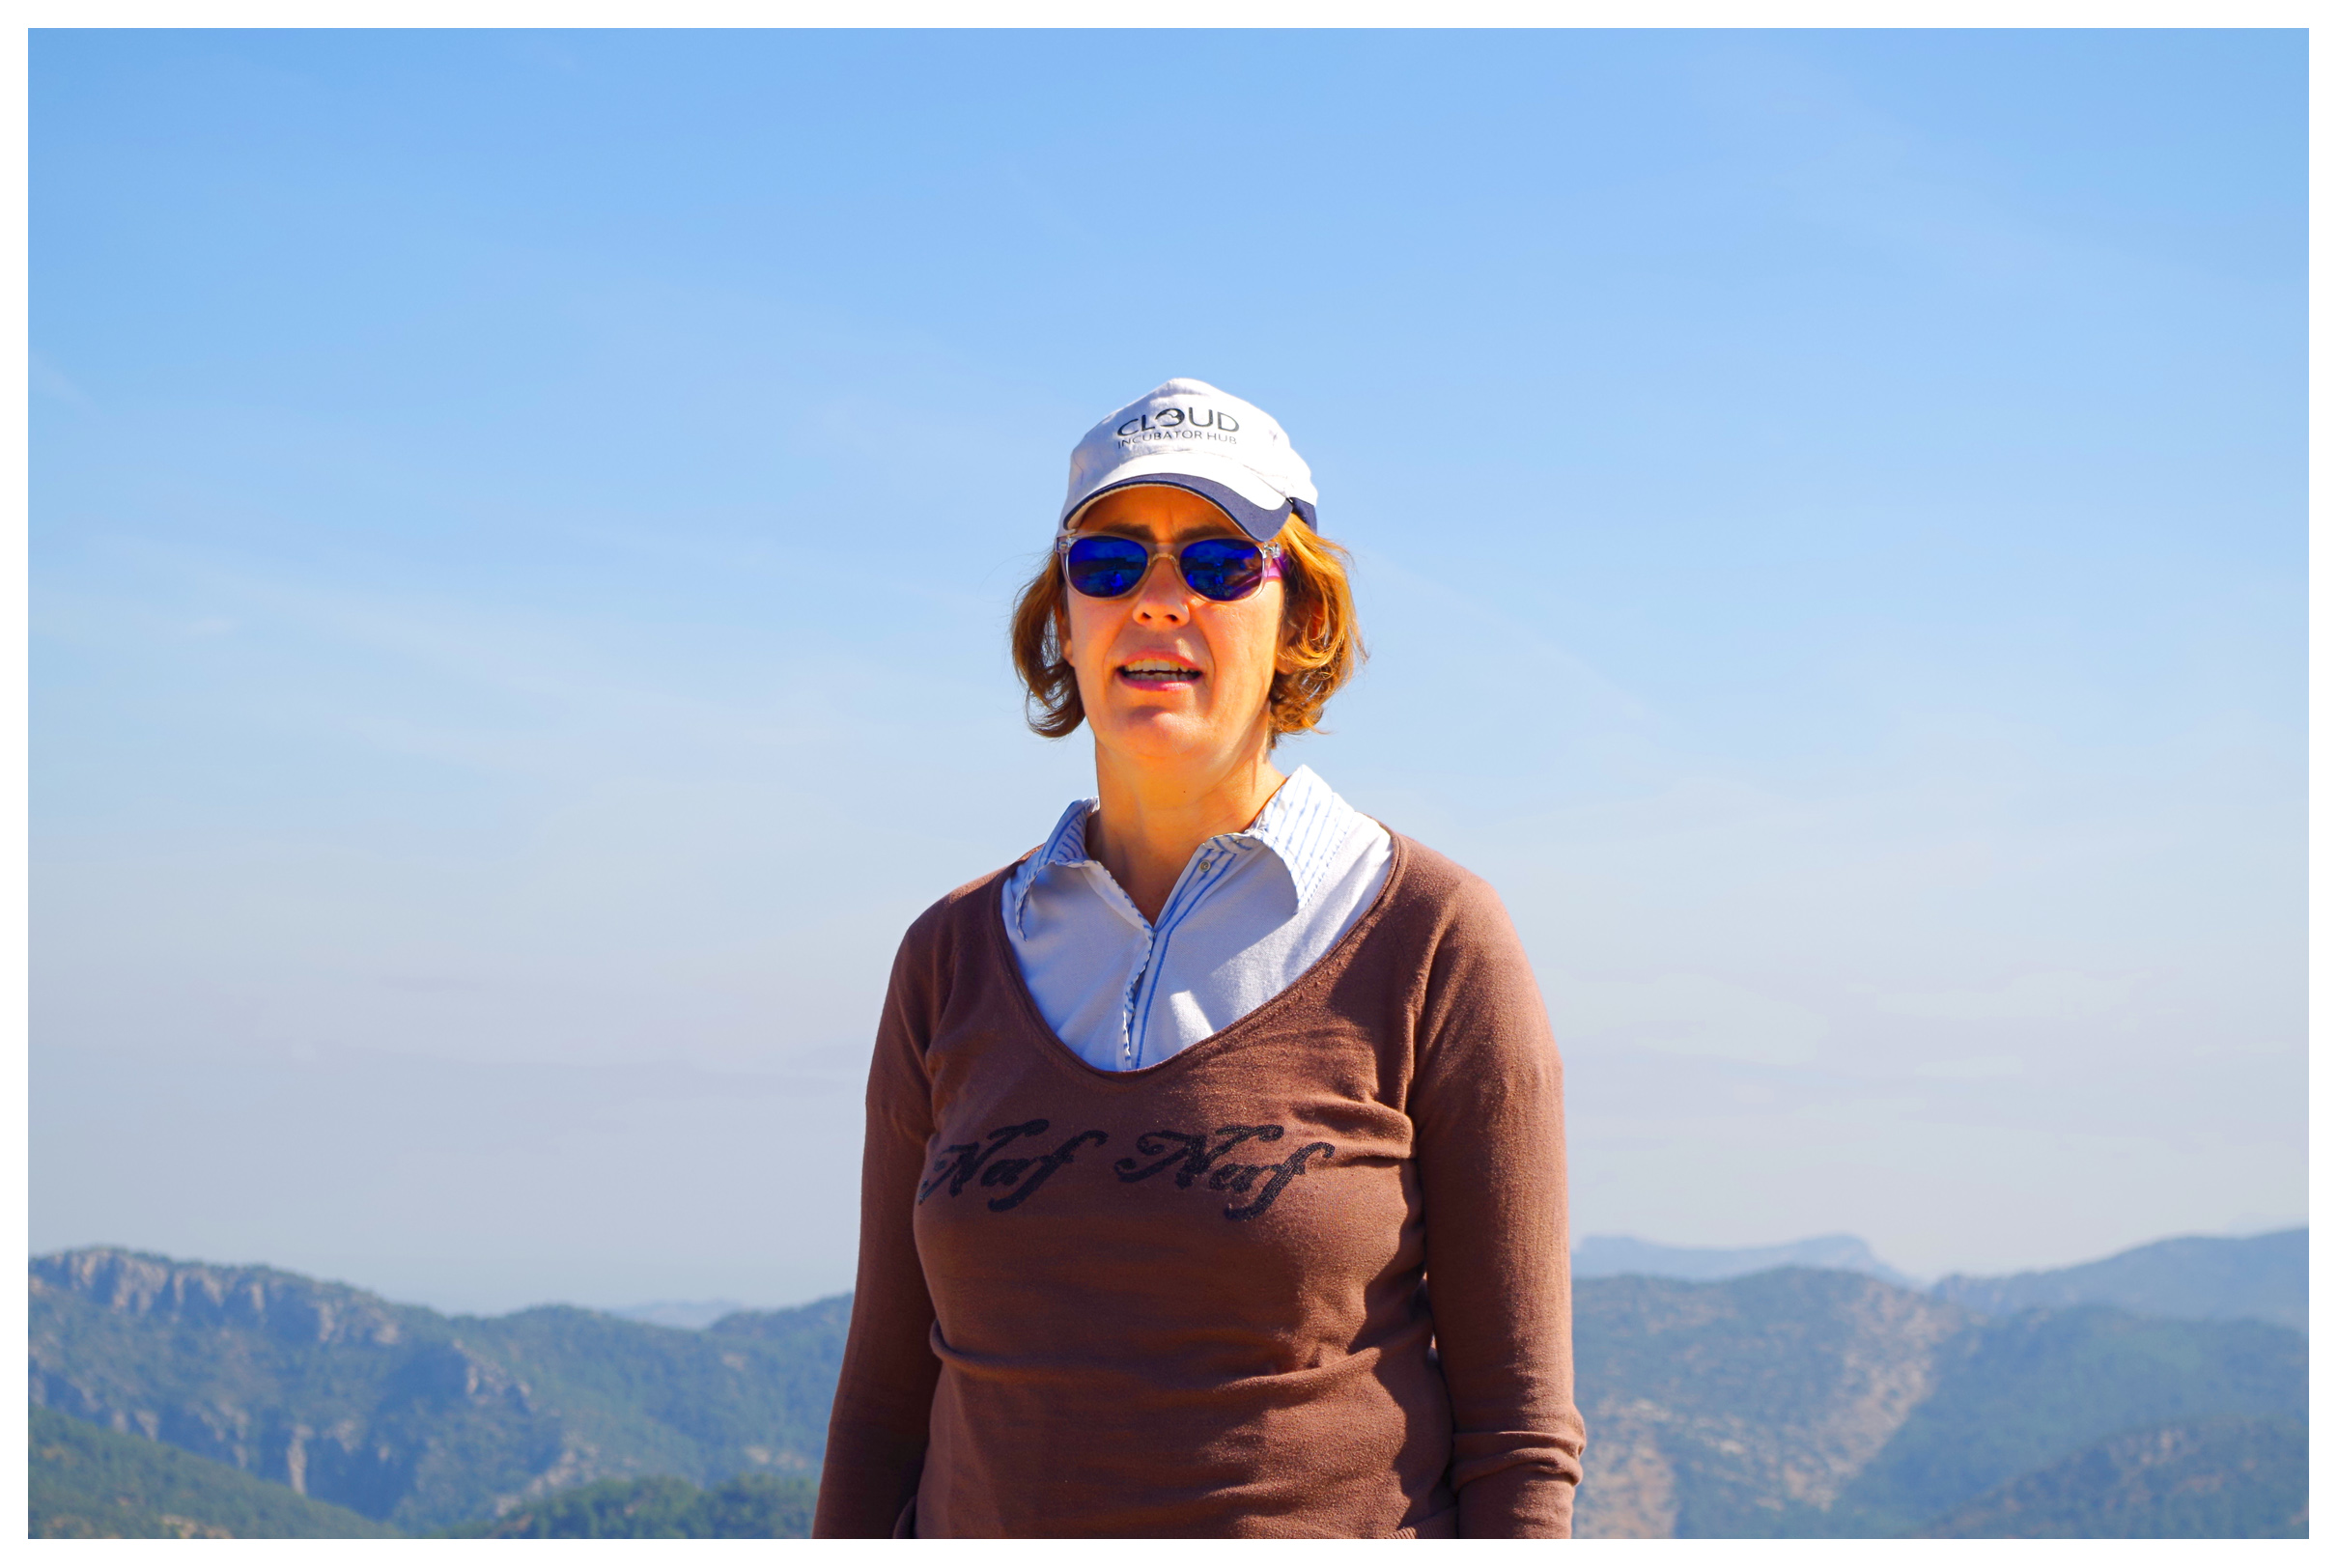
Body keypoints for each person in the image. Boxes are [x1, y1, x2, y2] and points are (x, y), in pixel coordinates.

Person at [811, 378, 1584, 1538]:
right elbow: (883, 1407)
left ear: (1301, 620)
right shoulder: (949, 957)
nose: (1159, 599)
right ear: (1064, 619)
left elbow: (1518, 1437)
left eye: (1221, 564)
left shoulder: (1433, 936)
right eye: (1110, 562)